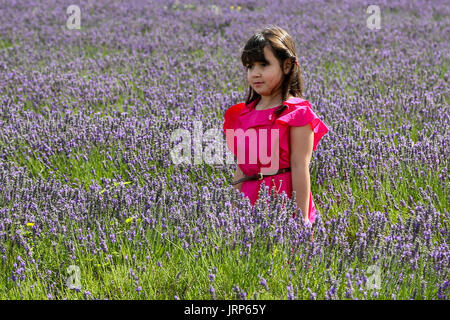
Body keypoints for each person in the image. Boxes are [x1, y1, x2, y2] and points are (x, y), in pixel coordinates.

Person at [223, 25, 329, 226]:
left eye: (264, 65)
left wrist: (301, 218)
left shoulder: (296, 113)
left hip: (283, 201)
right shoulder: (243, 114)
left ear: (287, 65)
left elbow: (300, 166)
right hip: (248, 201)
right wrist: (233, 211)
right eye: (250, 67)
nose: (255, 73)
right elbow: (242, 168)